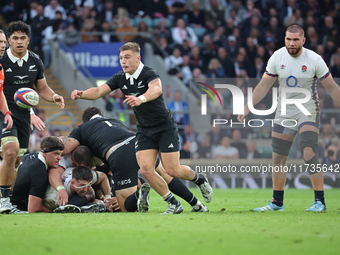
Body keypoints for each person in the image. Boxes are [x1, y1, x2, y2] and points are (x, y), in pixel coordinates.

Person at [71, 42, 213, 212]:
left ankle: (199, 179)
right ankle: (173, 204)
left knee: (172, 170)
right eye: (121, 58)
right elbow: (98, 91)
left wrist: (141, 99)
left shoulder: (148, 73)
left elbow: (157, 89)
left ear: (138, 59)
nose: (123, 61)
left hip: (164, 127)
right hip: (144, 130)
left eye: (127, 57)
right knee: (146, 170)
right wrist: (82, 94)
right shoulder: (120, 78)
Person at [238, 25, 340, 212]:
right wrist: (247, 107)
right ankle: (277, 203)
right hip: (284, 110)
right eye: (288, 39)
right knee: (278, 158)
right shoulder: (277, 57)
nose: (291, 43)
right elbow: (262, 86)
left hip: (307, 108)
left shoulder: (315, 59)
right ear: (284, 39)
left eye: (295, 40)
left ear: (303, 40)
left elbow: (332, 87)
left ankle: (320, 202)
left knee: (308, 151)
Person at [62, 107, 209, 213]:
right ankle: (197, 204)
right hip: (139, 143)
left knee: (124, 206)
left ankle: (139, 194)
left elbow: (66, 148)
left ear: (85, 121)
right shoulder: (115, 120)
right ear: (102, 115)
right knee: (164, 174)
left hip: (119, 153)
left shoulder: (82, 128)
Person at [0, 21, 65, 214]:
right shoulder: (1, 60)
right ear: (9, 41)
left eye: (23, 38)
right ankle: (3, 202)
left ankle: (7, 203)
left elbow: (42, 88)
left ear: (28, 40)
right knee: (10, 152)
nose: (19, 42)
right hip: (3, 113)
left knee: (17, 161)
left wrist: (54, 96)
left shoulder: (35, 60)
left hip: (22, 116)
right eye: (14, 38)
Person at [45, 145, 114, 213]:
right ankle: (73, 206)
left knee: (90, 192)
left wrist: (108, 200)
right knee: (57, 205)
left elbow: (103, 176)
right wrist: (60, 189)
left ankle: (81, 205)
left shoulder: (86, 174)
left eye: (88, 185)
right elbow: (53, 173)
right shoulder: (54, 195)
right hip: (60, 190)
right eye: (83, 185)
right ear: (72, 182)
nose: (86, 188)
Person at [10, 136, 64, 213]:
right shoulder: (39, 172)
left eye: (60, 155)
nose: (59, 158)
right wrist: (55, 211)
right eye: (56, 154)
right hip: (12, 205)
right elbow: (33, 208)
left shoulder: (31, 156)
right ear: (45, 153)